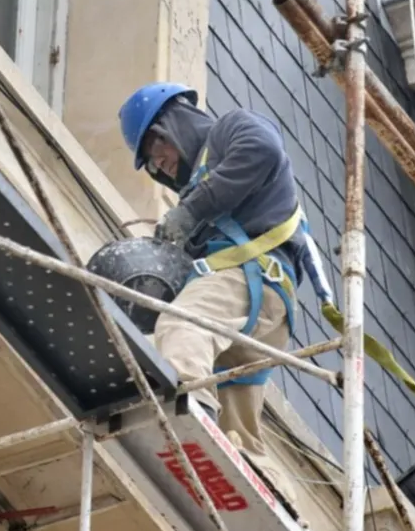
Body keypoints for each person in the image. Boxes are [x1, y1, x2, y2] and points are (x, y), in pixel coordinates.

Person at [117, 82, 333, 509]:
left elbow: (263, 151)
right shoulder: (200, 188)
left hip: (246, 283)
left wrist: (192, 210)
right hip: (264, 311)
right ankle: (277, 498)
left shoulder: (233, 129)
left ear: (172, 124)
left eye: (156, 148)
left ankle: (190, 418)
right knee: (241, 428)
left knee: (180, 326)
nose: (159, 164)